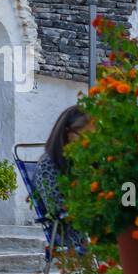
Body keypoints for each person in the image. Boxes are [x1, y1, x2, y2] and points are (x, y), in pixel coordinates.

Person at [33, 106, 91, 252]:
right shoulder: (48, 164)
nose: (88, 143)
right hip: (71, 231)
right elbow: (56, 208)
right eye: (83, 136)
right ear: (67, 133)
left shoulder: (82, 161)